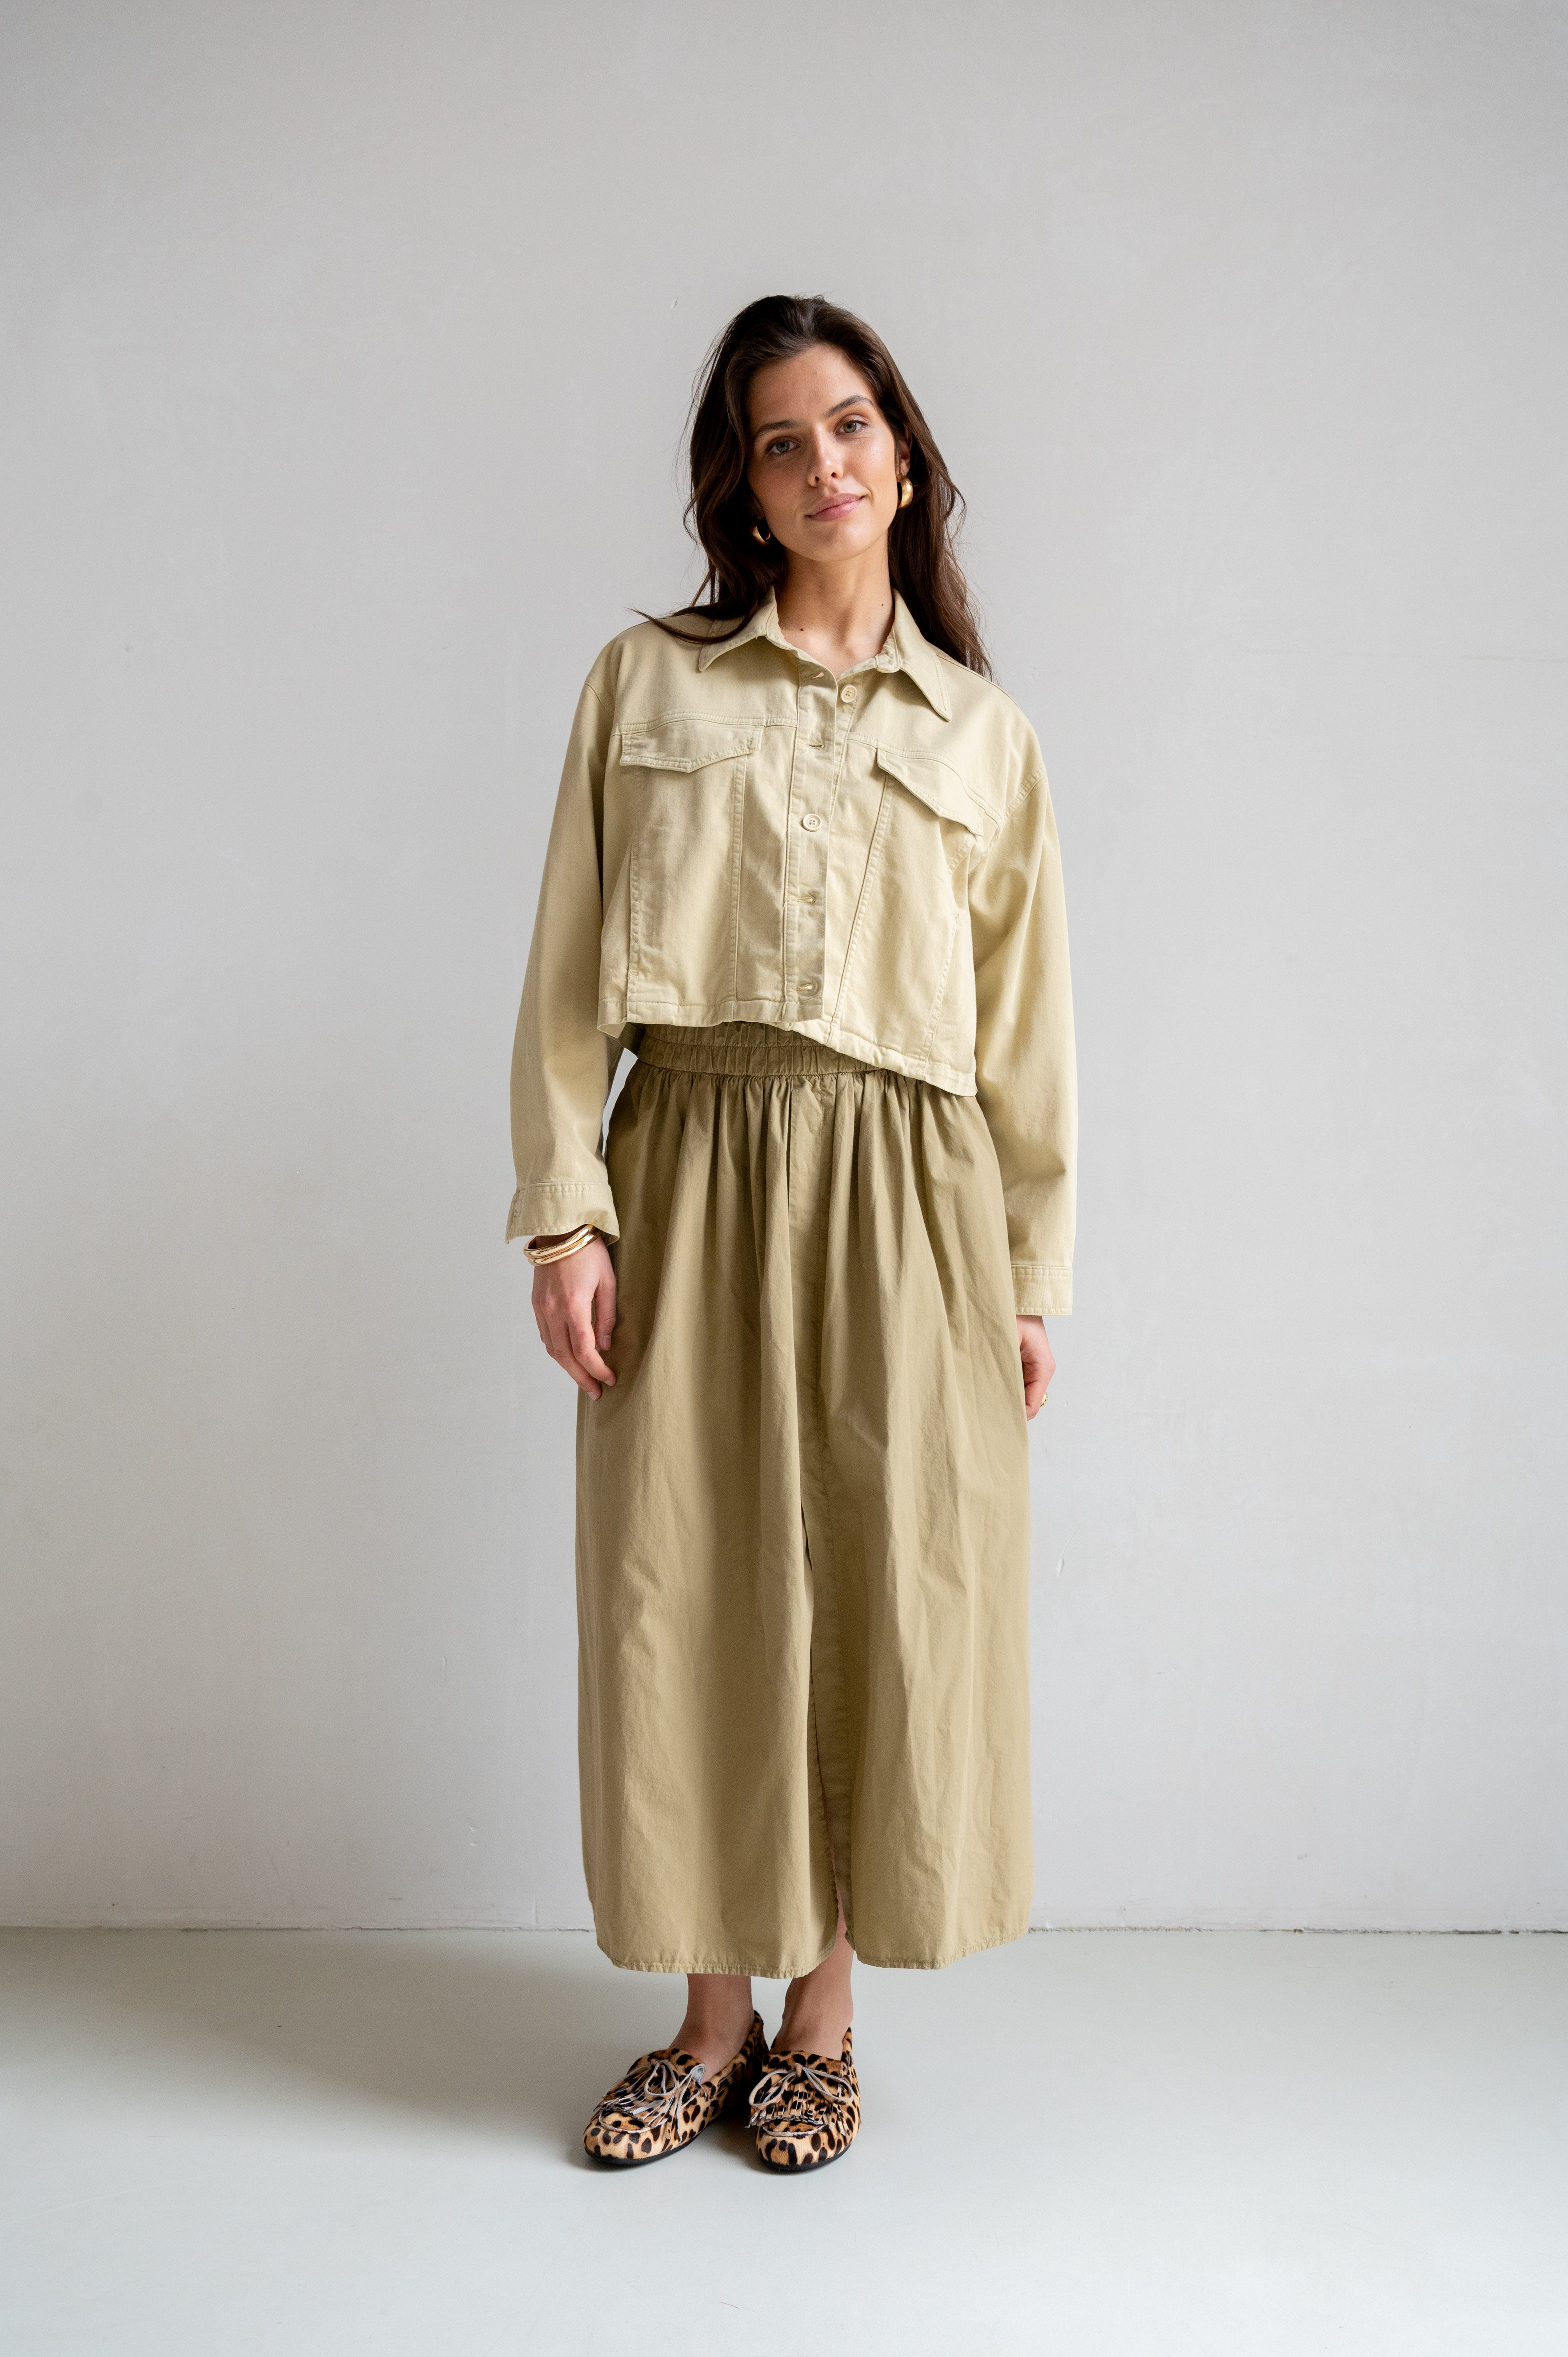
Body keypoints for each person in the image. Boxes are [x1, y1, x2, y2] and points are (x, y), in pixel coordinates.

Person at [508, 293, 1076, 2172]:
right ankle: (708, 2021)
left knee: (873, 1589)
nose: (822, 464)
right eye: (780, 441)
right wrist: (564, 1216)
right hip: (688, 1161)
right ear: (741, 489)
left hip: (911, 1199)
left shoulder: (983, 737)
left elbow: (1026, 1043)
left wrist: (1026, 1283)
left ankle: (820, 2026)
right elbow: (567, 975)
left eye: (848, 426)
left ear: (903, 459)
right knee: (685, 1581)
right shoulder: (646, 685)